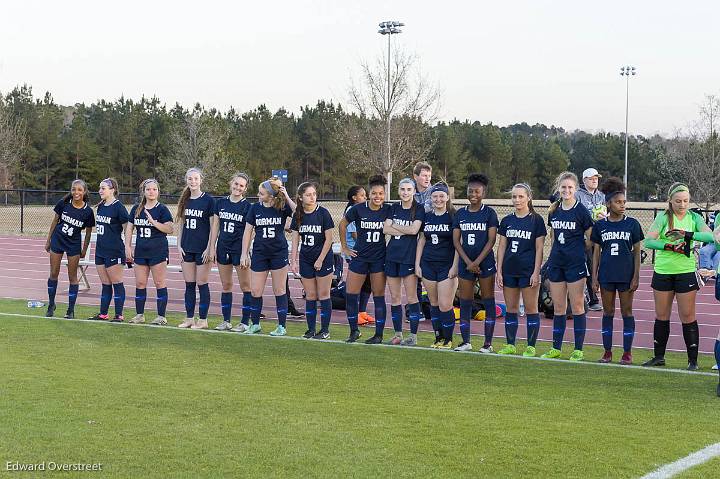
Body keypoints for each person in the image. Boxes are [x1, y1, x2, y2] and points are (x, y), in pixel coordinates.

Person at [642, 183, 713, 370]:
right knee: (662, 315)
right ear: (670, 201)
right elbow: (648, 241)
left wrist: (685, 234)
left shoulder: (694, 217)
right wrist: (669, 246)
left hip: (685, 272)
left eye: (686, 201)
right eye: (678, 201)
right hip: (664, 271)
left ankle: (693, 361)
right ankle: (659, 357)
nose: (682, 205)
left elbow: (710, 237)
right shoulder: (663, 217)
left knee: (688, 315)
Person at [590, 177, 644, 365]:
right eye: (618, 202)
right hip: (606, 274)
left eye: (624, 202)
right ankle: (607, 352)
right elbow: (596, 253)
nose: (622, 205)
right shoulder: (600, 225)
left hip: (626, 275)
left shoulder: (633, 224)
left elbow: (637, 253)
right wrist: (594, 277)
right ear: (608, 204)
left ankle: (627, 352)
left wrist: (636, 276)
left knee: (627, 312)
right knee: (608, 312)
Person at [541, 172, 594, 361]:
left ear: (575, 189)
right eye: (563, 187)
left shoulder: (581, 211)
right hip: (557, 263)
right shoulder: (553, 210)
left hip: (575, 264)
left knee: (578, 306)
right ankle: (556, 347)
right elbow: (553, 236)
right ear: (559, 188)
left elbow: (591, 238)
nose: (566, 190)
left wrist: (577, 249)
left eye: (570, 187)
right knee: (559, 307)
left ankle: (578, 349)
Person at [339, 175, 392, 343]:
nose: (378, 197)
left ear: (384, 194)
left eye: (381, 194)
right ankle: (354, 331)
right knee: (351, 294)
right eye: (374, 193)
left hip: (378, 259)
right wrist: (345, 247)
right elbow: (342, 224)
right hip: (360, 257)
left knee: (378, 296)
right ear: (369, 194)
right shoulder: (359, 209)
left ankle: (378, 335)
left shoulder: (388, 209)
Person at [496, 183, 546, 357]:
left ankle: (531, 346)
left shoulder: (536, 220)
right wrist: (499, 271)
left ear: (528, 198)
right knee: (511, 309)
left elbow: (539, 248)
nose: (517, 200)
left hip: (527, 270)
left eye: (521, 196)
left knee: (531, 309)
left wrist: (536, 272)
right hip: (510, 270)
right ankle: (511, 344)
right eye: (514, 197)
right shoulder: (507, 220)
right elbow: (502, 247)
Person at [241, 177, 296, 336]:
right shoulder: (254, 208)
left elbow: (298, 212)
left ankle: (281, 326)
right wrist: (244, 253)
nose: (258, 195)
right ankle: (255, 324)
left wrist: (286, 196)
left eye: (262, 193)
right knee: (256, 290)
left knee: (279, 290)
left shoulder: (282, 206)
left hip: (278, 252)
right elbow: (247, 232)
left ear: (271, 195)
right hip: (259, 252)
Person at [452, 174, 498, 352]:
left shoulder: (489, 213)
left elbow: (491, 240)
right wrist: (468, 262)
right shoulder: (461, 213)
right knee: (465, 301)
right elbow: (456, 241)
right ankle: (466, 341)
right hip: (466, 263)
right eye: (470, 191)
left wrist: (477, 262)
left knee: (488, 301)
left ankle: (488, 344)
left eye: (477, 191)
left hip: (484, 262)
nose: (473, 194)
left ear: (483, 193)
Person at [45, 179, 96, 319]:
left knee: (72, 277)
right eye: (74, 189)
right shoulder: (63, 204)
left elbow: (88, 233)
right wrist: (48, 240)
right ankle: (51, 304)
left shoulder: (88, 212)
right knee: (53, 273)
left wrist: (84, 249)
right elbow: (55, 221)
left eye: (79, 190)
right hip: (58, 240)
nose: (76, 192)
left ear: (84, 192)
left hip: (73, 244)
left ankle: (70, 309)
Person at [416, 183, 459, 349]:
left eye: (442, 196)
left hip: (446, 266)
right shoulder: (427, 216)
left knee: (445, 305)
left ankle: (448, 339)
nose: (438, 199)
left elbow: (458, 243)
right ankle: (438, 337)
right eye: (435, 196)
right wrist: (417, 263)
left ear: (447, 197)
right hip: (428, 264)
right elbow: (422, 240)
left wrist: (455, 266)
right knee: (433, 303)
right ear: (430, 198)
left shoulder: (453, 217)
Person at [126, 179, 174, 325]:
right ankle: (140, 315)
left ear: (158, 191)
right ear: (144, 192)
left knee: (159, 282)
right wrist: (127, 246)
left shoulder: (162, 209)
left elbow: (170, 229)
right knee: (140, 283)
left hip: (158, 251)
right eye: (148, 189)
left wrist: (154, 222)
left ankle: (161, 317)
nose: (151, 192)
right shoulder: (136, 209)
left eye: (154, 189)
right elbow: (129, 227)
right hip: (141, 251)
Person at [290, 181, 335, 339]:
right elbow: (295, 239)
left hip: (323, 258)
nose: (312, 197)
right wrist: (293, 260)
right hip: (306, 258)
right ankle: (310, 330)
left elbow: (329, 239)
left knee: (323, 295)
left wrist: (320, 259)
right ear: (301, 197)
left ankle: (325, 330)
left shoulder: (323, 213)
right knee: (310, 295)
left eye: (314, 194)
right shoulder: (298, 214)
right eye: (308, 195)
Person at [176, 168, 219, 330]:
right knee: (189, 285)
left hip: (202, 248)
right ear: (186, 180)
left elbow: (213, 226)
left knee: (202, 284)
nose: (193, 181)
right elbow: (181, 224)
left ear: (201, 180)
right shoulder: (185, 200)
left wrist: (209, 248)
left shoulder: (208, 200)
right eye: (189, 179)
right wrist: (179, 244)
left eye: (195, 178)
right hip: (187, 247)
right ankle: (189, 319)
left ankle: (203, 320)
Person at [383, 178, 424, 346]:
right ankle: (398, 334)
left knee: (412, 297)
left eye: (408, 189)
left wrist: (397, 227)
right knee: (394, 297)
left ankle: (413, 336)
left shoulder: (419, 209)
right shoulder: (393, 208)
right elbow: (385, 229)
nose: (405, 192)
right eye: (402, 189)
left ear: (414, 191)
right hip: (392, 256)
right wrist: (406, 230)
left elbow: (415, 230)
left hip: (409, 258)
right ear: (398, 191)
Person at [213, 173, 253, 332]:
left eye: (241, 186)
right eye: (236, 184)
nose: (238, 187)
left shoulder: (247, 206)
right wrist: (211, 247)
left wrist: (245, 252)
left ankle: (244, 322)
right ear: (231, 183)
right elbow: (215, 226)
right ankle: (226, 321)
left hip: (239, 249)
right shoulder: (221, 203)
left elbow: (250, 232)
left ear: (245, 189)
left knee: (246, 286)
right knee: (226, 285)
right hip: (223, 247)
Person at [88, 178, 129, 322]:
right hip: (100, 251)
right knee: (105, 284)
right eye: (100, 188)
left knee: (117, 282)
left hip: (114, 251)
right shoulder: (101, 206)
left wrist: (127, 248)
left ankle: (119, 315)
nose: (100, 190)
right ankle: (103, 313)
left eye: (103, 188)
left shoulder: (118, 207)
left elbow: (127, 228)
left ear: (112, 190)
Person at [343, 185, 374, 326]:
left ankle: (362, 312)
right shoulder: (351, 210)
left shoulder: (364, 209)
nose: (365, 197)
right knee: (357, 284)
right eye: (362, 195)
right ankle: (354, 314)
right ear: (354, 197)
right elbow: (355, 234)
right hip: (355, 252)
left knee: (368, 282)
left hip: (365, 252)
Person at [576, 167, 606, 312]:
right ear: (584, 180)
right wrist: (591, 216)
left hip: (598, 237)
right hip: (582, 238)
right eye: (591, 178)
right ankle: (592, 299)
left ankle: (591, 294)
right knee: (587, 265)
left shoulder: (601, 196)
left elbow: (605, 212)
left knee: (596, 266)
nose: (595, 180)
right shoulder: (578, 195)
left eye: (596, 178)